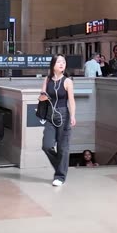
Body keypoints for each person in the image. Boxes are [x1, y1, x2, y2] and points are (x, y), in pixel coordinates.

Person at [39, 53, 76, 187]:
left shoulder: (67, 81)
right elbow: (41, 96)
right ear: (53, 65)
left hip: (63, 115)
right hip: (50, 115)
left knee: (62, 148)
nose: (62, 64)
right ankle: (62, 167)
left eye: (64, 62)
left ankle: (60, 176)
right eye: (59, 62)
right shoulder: (47, 80)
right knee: (47, 145)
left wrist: (72, 116)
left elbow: (71, 100)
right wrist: (42, 97)